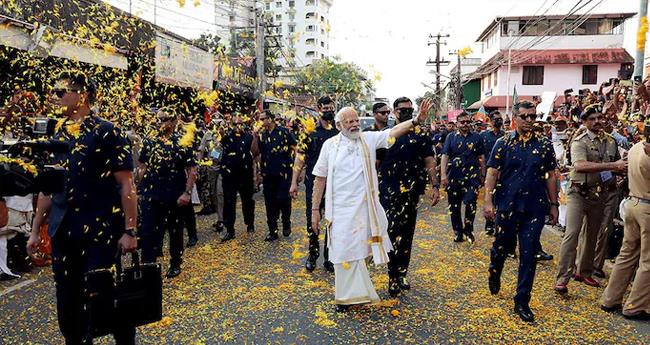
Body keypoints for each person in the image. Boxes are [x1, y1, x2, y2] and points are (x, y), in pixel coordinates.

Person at [26, 72, 138, 344]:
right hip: (63, 231)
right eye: (54, 91)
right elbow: (49, 186)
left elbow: (127, 184)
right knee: (68, 302)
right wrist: (35, 230)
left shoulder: (108, 131)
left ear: (82, 94)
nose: (55, 97)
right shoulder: (58, 132)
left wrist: (130, 230)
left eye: (61, 91)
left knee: (104, 297)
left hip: (100, 231)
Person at [311, 100, 434, 312]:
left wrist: (416, 120)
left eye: (355, 120)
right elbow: (320, 177)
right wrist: (315, 210)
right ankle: (345, 297)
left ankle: (357, 293)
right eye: (348, 122)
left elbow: (394, 131)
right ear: (339, 125)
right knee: (342, 252)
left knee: (362, 251)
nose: (353, 124)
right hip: (339, 211)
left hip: (364, 209)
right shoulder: (329, 146)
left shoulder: (367, 139)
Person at [484, 100, 559, 323]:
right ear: (515, 118)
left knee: (529, 254)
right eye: (525, 116)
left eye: (532, 116)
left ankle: (522, 300)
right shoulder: (503, 143)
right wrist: (488, 201)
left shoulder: (545, 145)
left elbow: (550, 176)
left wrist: (554, 204)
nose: (529, 121)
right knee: (501, 246)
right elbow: (492, 172)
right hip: (507, 205)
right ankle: (494, 269)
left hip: (534, 208)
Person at [554, 105, 627, 293]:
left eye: (599, 118)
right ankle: (563, 277)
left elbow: (616, 166)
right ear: (585, 122)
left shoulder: (611, 142)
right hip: (578, 193)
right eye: (592, 119)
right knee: (572, 234)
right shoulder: (580, 141)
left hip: (599, 193)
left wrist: (620, 171)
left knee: (592, 235)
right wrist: (613, 165)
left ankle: (584, 272)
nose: (597, 122)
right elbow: (580, 165)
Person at [378, 96, 439, 297]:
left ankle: (402, 272)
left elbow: (429, 161)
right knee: (392, 231)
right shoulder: (386, 135)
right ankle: (392, 275)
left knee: (407, 234)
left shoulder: (421, 135)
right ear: (394, 112)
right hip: (389, 191)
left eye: (409, 110)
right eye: (402, 110)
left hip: (412, 192)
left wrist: (435, 185)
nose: (406, 113)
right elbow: (375, 165)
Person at [137, 108, 197, 278]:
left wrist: (187, 192)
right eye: (158, 119)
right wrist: (138, 188)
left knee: (175, 230)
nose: (160, 123)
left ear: (173, 122)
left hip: (174, 195)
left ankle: (175, 262)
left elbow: (192, 169)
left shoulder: (182, 142)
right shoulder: (150, 141)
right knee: (148, 230)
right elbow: (142, 166)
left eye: (164, 119)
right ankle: (148, 264)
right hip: (152, 194)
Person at [601, 140, 650, 320]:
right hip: (647, 209)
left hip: (632, 204)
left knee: (627, 254)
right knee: (647, 261)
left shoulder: (636, 147)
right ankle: (635, 306)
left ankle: (610, 299)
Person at [289, 96, 338, 272]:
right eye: (325, 108)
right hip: (314, 184)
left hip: (335, 185)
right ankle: (312, 253)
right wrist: (294, 182)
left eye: (331, 108)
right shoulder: (308, 132)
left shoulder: (338, 131)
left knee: (332, 221)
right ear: (318, 109)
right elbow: (299, 158)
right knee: (313, 220)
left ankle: (330, 257)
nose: (329, 111)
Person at [440, 112, 485, 242]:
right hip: (454, 175)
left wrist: (482, 174)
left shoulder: (477, 137)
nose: (465, 124)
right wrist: (443, 175)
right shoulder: (450, 137)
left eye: (467, 122)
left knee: (471, 203)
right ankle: (457, 231)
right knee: (454, 206)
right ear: (457, 123)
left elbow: (481, 157)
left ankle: (468, 230)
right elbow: (445, 156)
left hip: (472, 176)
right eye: (462, 122)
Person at [256, 110, 297, 241]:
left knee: (283, 199)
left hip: (284, 173)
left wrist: (298, 171)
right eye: (260, 120)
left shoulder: (284, 132)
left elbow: (295, 149)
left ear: (271, 119)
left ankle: (286, 224)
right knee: (270, 203)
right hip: (268, 174)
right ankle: (272, 230)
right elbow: (257, 153)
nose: (262, 122)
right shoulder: (262, 135)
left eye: (264, 119)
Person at [219, 114, 259, 242]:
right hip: (229, 175)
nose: (237, 126)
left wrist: (255, 137)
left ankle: (250, 222)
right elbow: (217, 149)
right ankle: (230, 229)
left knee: (247, 200)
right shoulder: (226, 137)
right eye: (235, 124)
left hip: (244, 174)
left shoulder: (248, 137)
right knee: (229, 202)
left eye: (240, 123)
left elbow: (254, 153)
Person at [479, 111, 505, 236]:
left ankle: (498, 223)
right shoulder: (484, 136)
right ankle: (489, 224)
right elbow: (481, 155)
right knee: (489, 196)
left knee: (499, 197)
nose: (498, 121)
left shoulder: (505, 136)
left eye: (500, 119)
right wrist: (482, 172)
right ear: (490, 120)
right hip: (489, 171)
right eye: (496, 119)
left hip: (502, 172)